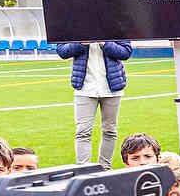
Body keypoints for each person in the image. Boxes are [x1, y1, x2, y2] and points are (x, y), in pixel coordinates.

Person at [54, 37, 132, 165]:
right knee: (83, 131)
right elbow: (62, 51)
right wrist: (81, 43)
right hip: (84, 87)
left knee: (110, 130)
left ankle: (105, 169)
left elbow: (125, 52)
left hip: (112, 87)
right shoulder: (76, 25)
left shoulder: (115, 23)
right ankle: (83, 170)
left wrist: (104, 42)